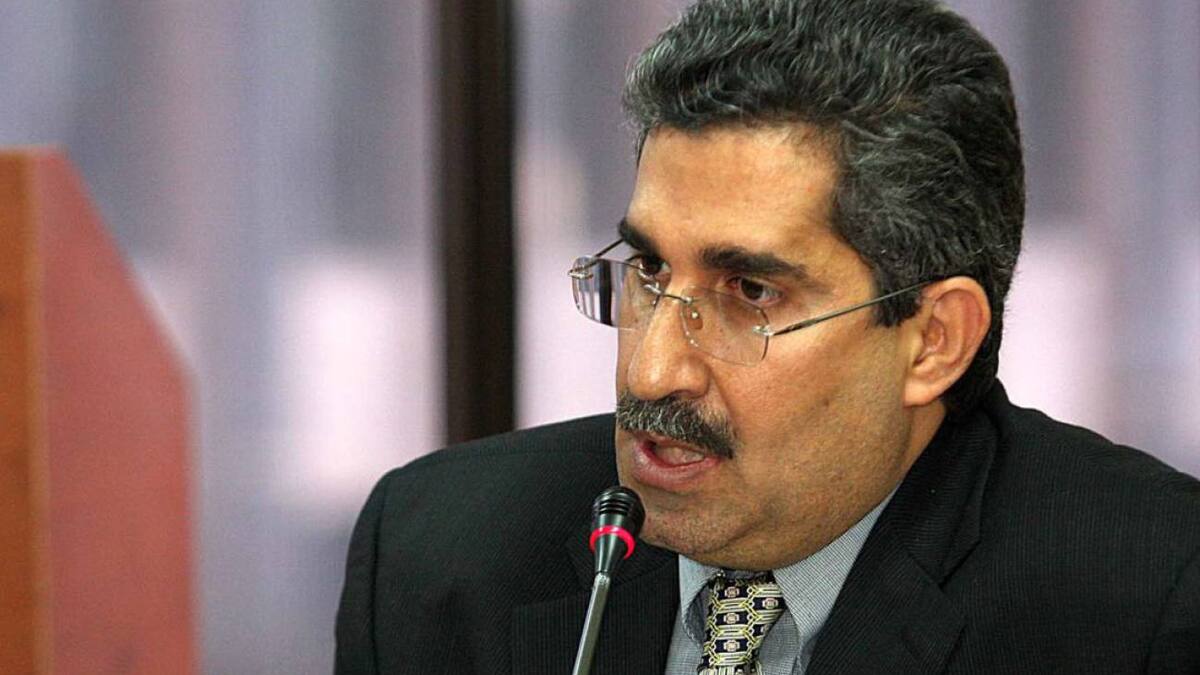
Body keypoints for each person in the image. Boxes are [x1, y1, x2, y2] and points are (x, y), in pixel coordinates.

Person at [335, 0, 1200, 672]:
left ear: (934, 339)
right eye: (649, 270)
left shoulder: (1150, 603)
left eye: (750, 292)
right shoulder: (437, 554)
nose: (652, 369)